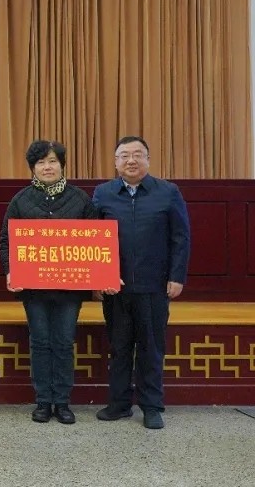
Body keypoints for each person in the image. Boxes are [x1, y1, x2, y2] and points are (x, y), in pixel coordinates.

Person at [93, 136, 190, 429]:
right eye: (124, 155)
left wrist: (177, 276)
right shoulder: (103, 194)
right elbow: (92, 239)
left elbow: (181, 237)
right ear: (115, 162)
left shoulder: (168, 192)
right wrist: (97, 280)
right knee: (120, 347)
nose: (131, 160)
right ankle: (119, 404)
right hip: (115, 287)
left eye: (138, 154)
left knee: (151, 348)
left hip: (154, 286)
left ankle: (151, 407)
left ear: (148, 159)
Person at [0, 140, 98, 425]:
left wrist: (97, 276)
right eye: (41, 162)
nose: (47, 167)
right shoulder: (20, 200)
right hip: (34, 289)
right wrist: (11, 271)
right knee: (40, 342)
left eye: (52, 161)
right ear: (33, 167)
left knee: (64, 342)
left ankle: (62, 402)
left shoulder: (81, 199)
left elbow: (95, 241)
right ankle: (43, 401)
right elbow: (6, 241)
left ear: (62, 165)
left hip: (70, 288)